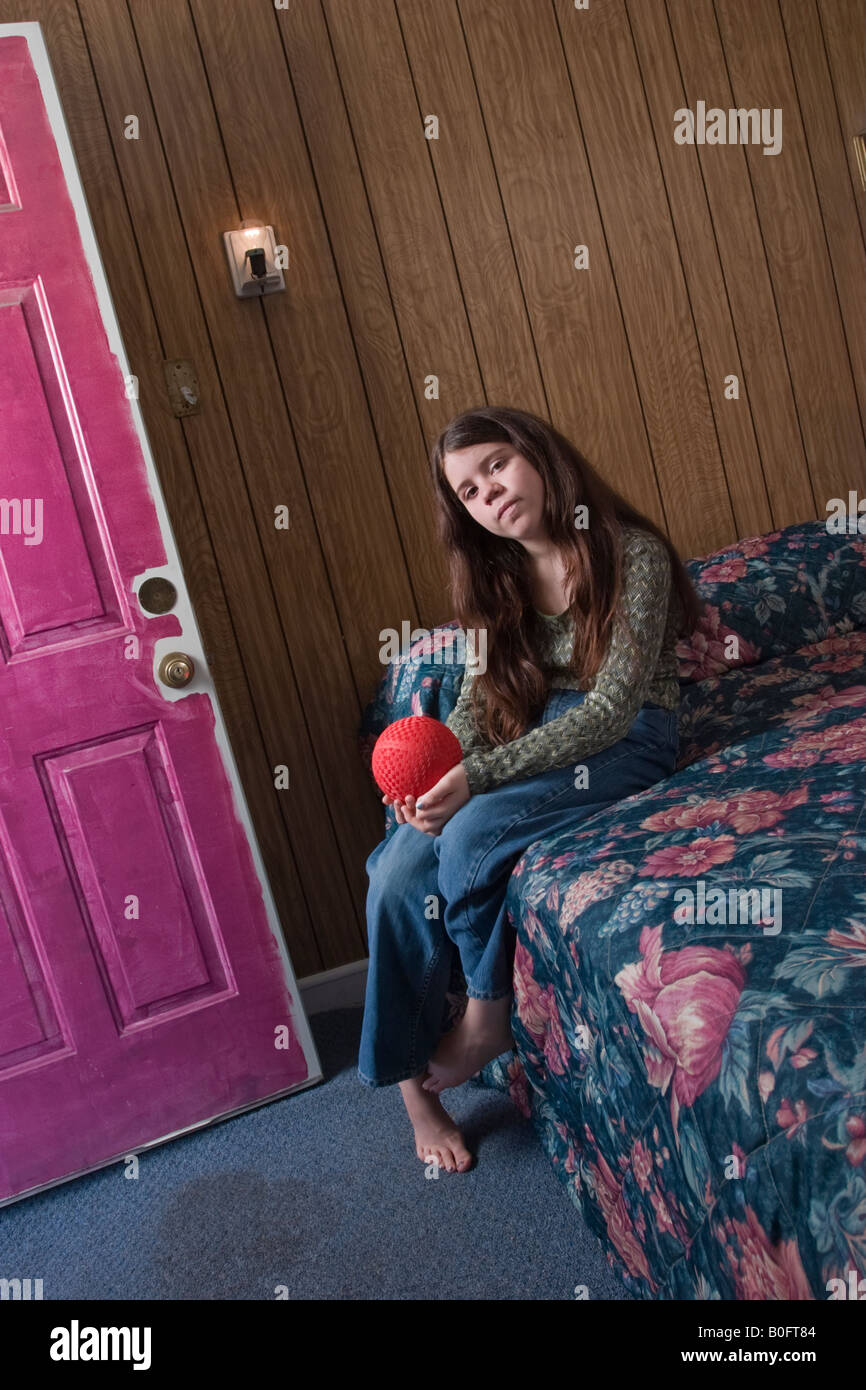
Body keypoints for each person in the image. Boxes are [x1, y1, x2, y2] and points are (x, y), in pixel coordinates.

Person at [358, 405, 703, 1174]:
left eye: (497, 466)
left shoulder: (632, 554)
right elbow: (476, 708)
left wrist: (475, 780)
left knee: (472, 836)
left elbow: (610, 711)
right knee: (395, 873)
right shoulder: (495, 582)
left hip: (627, 739)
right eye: (469, 491)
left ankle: (486, 1019)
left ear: (539, 455)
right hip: (534, 735)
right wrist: (438, 775)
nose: (489, 492)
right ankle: (415, 1094)